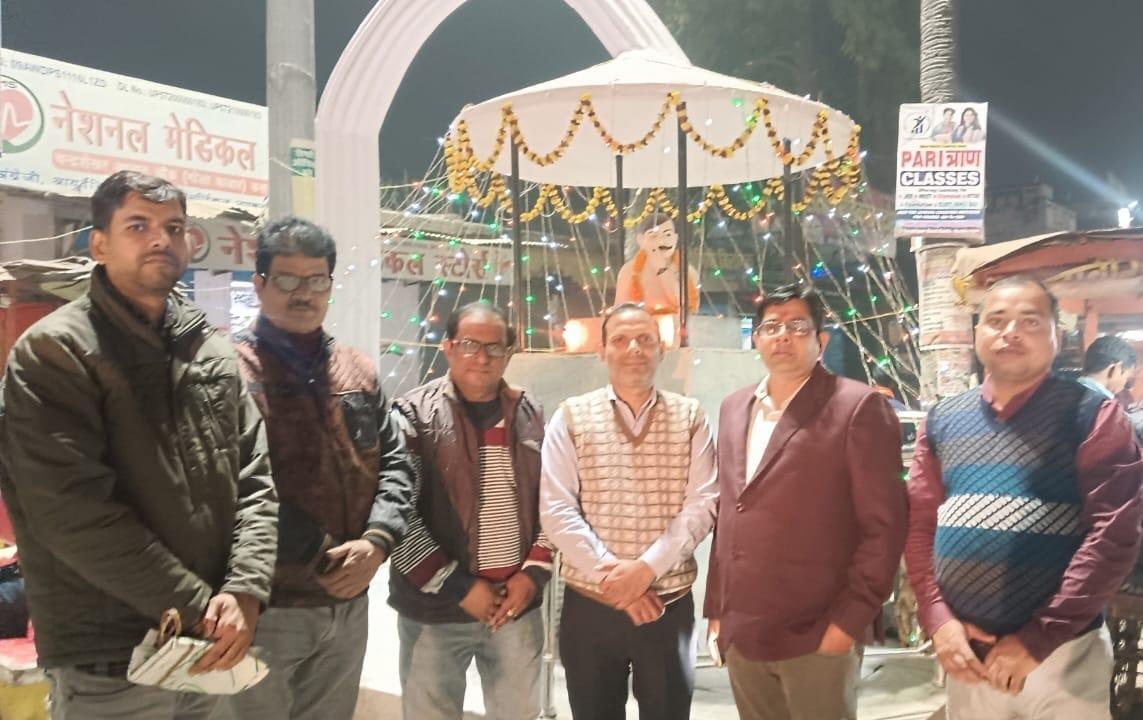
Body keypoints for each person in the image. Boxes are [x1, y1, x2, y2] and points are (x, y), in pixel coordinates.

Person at [0, 170, 278, 719]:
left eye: (173, 227)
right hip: (111, 654)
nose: (160, 239)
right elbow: (71, 512)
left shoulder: (210, 350)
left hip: (208, 648)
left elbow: (255, 479)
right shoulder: (56, 353)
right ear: (99, 244)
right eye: (138, 225)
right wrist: (200, 606)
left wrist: (245, 590)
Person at [904, 276, 1143, 719]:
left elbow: (1114, 535)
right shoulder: (942, 420)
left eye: (1030, 321)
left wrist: (1038, 637)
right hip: (967, 653)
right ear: (978, 332)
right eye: (996, 320)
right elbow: (919, 524)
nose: (1010, 332)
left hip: (1062, 653)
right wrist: (938, 620)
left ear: (1058, 336)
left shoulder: (1091, 415)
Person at [220, 217, 414, 720]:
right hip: (265, 606)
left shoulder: (357, 369)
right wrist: (322, 554)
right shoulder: (228, 371)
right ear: (259, 283)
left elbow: (396, 462)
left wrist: (377, 541)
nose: (303, 293)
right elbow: (225, 487)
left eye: (316, 280)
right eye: (287, 279)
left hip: (348, 607)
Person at [705, 284, 907, 720]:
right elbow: (730, 513)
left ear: (821, 340)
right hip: (744, 629)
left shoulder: (857, 406)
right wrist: (718, 611)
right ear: (756, 338)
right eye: (771, 327)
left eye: (797, 326)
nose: (783, 336)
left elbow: (885, 526)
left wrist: (848, 623)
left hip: (818, 630)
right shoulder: (735, 407)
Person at [541, 302, 718, 720]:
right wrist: (616, 580)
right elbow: (556, 510)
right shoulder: (571, 416)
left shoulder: (690, 416)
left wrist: (646, 570)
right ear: (602, 351)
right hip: (591, 605)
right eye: (620, 340)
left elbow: (703, 503)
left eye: (644, 339)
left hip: (667, 605)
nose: (633, 349)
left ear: (661, 349)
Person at [389, 301, 553, 720]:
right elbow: (397, 514)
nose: (482, 357)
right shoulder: (412, 414)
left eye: (494, 347)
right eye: (469, 344)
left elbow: (554, 502)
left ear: (509, 353)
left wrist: (533, 574)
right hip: (435, 610)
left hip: (516, 607)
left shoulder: (530, 413)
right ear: (447, 347)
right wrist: (459, 586)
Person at [1080, 335, 1143, 442]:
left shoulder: (1065, 392)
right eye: (1125, 377)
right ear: (1114, 369)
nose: (1123, 385)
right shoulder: (1102, 405)